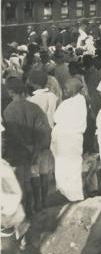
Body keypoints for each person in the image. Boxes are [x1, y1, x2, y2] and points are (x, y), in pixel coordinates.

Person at [3, 77, 52, 216]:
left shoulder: (8, 111)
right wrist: (35, 148)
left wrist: (27, 147)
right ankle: (39, 204)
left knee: (24, 181)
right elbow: (44, 130)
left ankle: (28, 210)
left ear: (11, 92)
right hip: (36, 150)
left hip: (18, 154)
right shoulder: (34, 108)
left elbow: (12, 136)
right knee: (35, 176)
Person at [52, 78, 87, 202]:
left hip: (66, 141)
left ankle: (69, 196)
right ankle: (73, 195)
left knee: (65, 168)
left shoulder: (68, 103)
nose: (64, 91)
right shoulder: (81, 100)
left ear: (73, 90)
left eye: (66, 89)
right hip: (74, 140)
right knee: (73, 168)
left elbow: (56, 118)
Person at [26, 69, 58, 209]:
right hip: (50, 136)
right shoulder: (53, 96)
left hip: (35, 138)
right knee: (45, 171)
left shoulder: (31, 100)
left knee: (35, 171)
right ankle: (44, 200)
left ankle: (37, 202)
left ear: (32, 83)